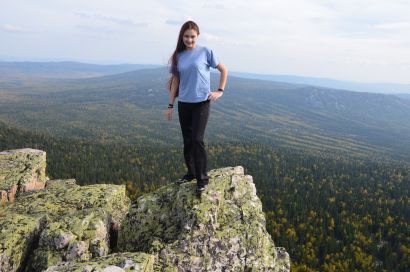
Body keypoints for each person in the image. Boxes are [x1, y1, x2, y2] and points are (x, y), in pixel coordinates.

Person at [165, 20, 228, 194]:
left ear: (197, 36)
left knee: (197, 140)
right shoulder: (178, 56)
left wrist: (220, 90)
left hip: (201, 102)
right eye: (186, 36)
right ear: (182, 36)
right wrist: (170, 105)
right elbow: (175, 82)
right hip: (184, 103)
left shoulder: (206, 52)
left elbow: (224, 70)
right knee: (187, 141)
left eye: (192, 36)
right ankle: (191, 173)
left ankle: (202, 179)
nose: (189, 40)